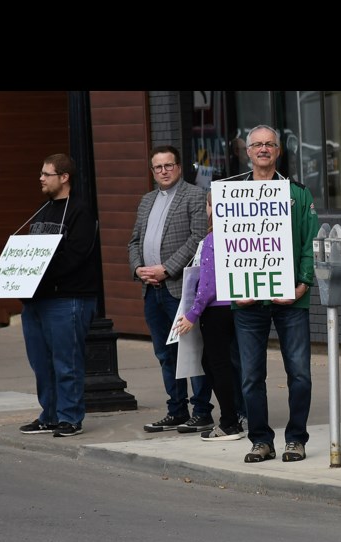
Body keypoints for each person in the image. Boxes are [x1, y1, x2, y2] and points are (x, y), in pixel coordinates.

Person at [234, 125, 320, 464]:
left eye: (270, 144)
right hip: (247, 302)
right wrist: (234, 290)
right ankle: (261, 441)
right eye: (257, 145)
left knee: (299, 374)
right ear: (248, 151)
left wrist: (302, 284)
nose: (264, 149)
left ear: (278, 151)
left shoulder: (297, 193)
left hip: (291, 300)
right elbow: (226, 248)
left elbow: (310, 243)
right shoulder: (231, 195)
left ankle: (296, 439)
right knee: (251, 377)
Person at [128, 145, 214, 433]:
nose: (163, 171)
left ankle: (202, 411)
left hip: (180, 287)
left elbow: (198, 238)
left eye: (168, 165)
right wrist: (138, 268)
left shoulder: (194, 196)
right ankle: (176, 410)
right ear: (152, 171)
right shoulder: (146, 200)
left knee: (192, 352)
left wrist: (167, 268)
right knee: (165, 354)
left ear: (178, 167)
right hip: (151, 290)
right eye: (158, 167)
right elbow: (134, 241)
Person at [17, 153, 99, 438]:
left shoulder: (80, 211)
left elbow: (75, 256)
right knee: (41, 363)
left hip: (67, 299)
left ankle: (70, 418)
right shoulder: (41, 211)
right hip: (36, 302)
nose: (40, 178)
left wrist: (38, 276)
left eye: (46, 174)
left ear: (64, 177)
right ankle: (48, 415)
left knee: (67, 362)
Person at [172, 191, 244, 442]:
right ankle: (239, 415)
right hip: (238, 306)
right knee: (230, 364)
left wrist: (193, 312)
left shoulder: (215, 238)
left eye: (208, 205)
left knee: (217, 365)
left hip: (216, 309)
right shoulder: (240, 236)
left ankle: (229, 423)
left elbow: (209, 282)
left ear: (213, 208)